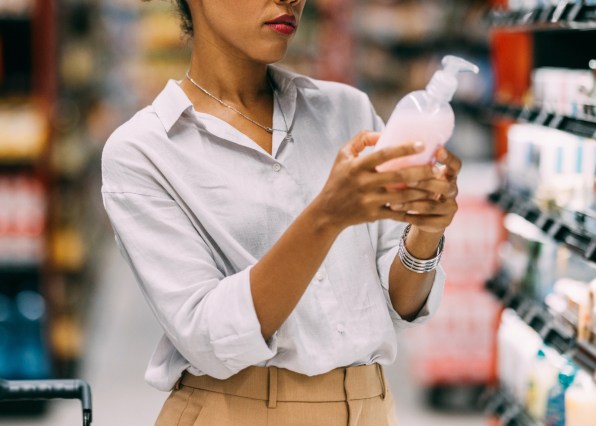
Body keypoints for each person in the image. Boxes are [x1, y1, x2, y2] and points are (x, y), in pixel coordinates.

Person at [101, 0, 461, 424]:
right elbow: (209, 335)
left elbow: (399, 303)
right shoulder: (145, 151)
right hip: (234, 411)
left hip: (369, 408)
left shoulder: (347, 111)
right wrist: (327, 216)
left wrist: (425, 232)